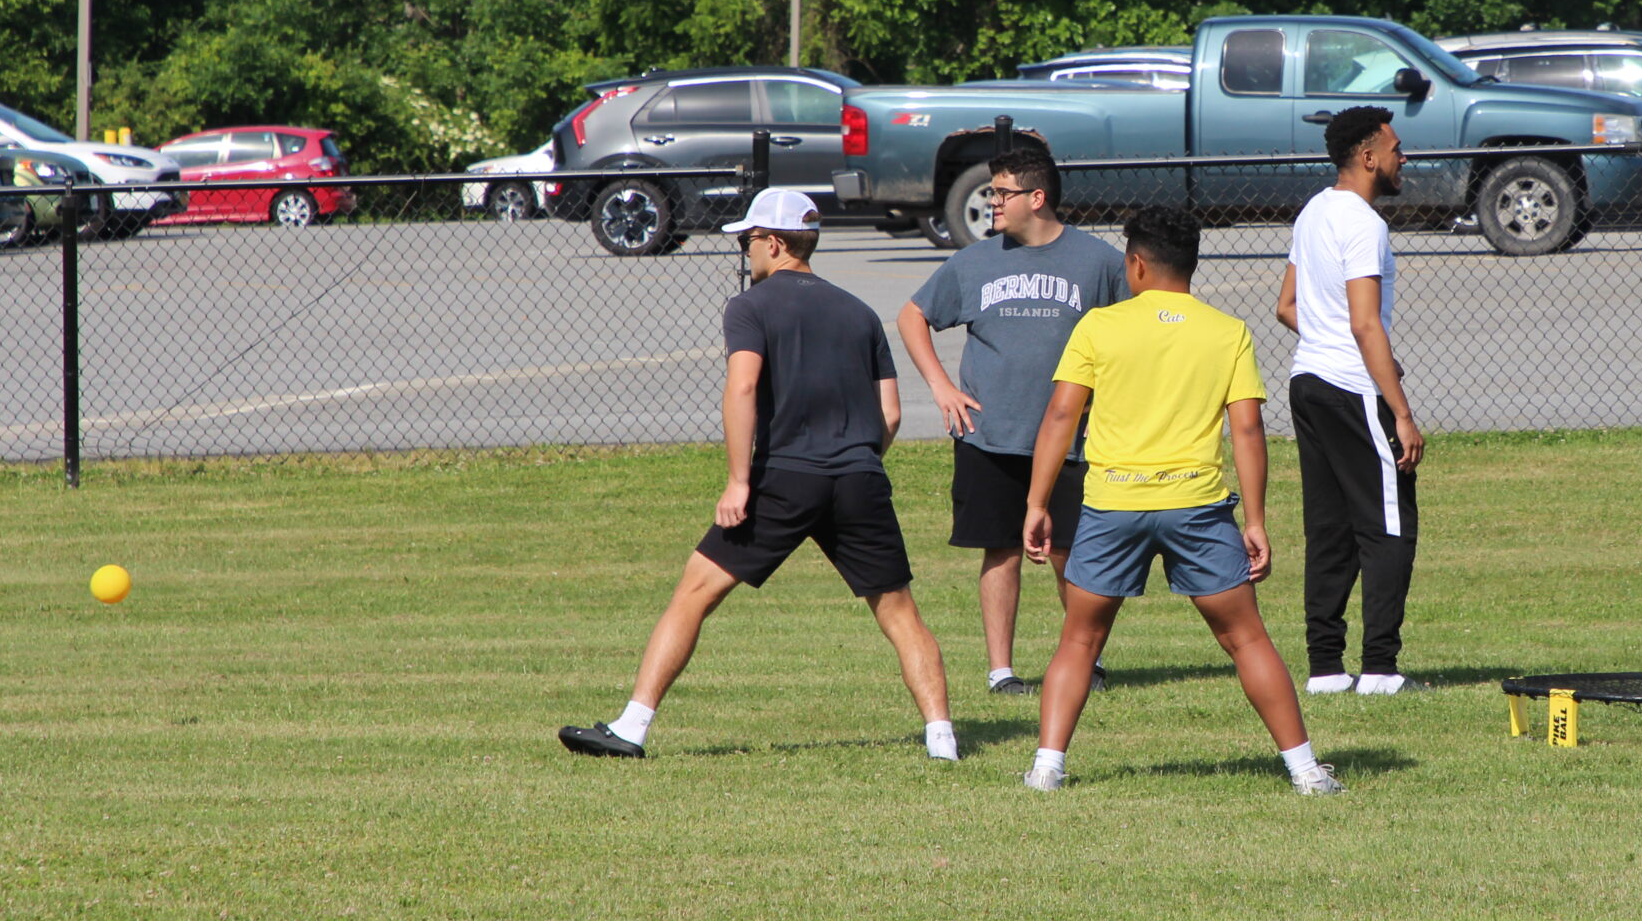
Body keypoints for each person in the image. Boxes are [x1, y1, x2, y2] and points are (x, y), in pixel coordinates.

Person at [558, 187, 956, 760]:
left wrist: (739, 480)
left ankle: (630, 729)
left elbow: (742, 386)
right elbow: (889, 413)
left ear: (775, 242)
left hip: (783, 477)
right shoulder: (861, 312)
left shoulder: (751, 305)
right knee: (898, 611)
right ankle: (942, 740)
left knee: (694, 592)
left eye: (748, 241)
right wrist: (856, 462)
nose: (747, 252)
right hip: (859, 476)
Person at [1018, 205, 1341, 795]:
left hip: (1113, 505)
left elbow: (1062, 414)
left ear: (1135, 264)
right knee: (1246, 638)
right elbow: (1246, 431)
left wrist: (1038, 502)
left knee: (1080, 639)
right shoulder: (1227, 331)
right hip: (1198, 507)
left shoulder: (1098, 327)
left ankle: (1047, 767)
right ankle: (1306, 771)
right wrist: (1257, 519)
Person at [898, 144, 1129, 695]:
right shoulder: (974, 261)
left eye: (1003, 192)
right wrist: (941, 386)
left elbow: (1129, 337)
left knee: (1070, 551)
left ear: (1038, 197)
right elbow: (913, 316)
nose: (993, 202)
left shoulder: (1098, 262)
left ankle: (1082, 663)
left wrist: (1110, 407)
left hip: (1071, 438)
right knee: (1000, 549)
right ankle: (1001, 673)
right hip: (990, 435)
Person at [1273, 105, 1427, 696]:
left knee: (1330, 528)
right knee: (1389, 526)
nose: (1402, 157)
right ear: (1367, 157)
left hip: (1308, 383)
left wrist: (1342, 346)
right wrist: (1403, 411)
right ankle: (1382, 671)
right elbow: (1365, 325)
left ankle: (1326, 670)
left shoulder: (1314, 211)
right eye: (1394, 148)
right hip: (1353, 390)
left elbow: (1288, 307)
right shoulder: (1364, 224)